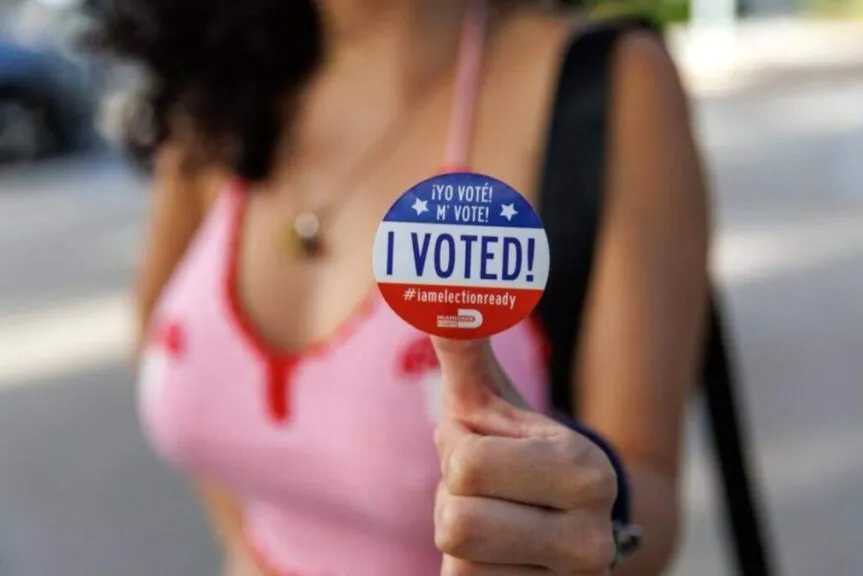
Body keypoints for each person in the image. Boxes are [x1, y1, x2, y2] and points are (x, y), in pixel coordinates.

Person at [88, 0, 709, 573]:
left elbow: (647, 493)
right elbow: (169, 363)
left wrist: (588, 522)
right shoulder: (215, 91)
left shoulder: (611, 85)